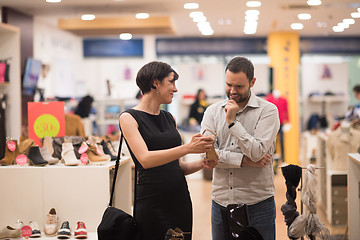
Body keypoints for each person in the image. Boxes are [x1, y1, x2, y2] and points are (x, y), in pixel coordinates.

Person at [119, 61, 218, 240]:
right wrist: (188, 148)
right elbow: (145, 159)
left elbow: (177, 168)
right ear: (156, 83)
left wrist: (202, 163)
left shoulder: (169, 118)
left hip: (179, 198)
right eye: (171, 82)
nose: (175, 89)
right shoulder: (129, 118)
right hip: (152, 201)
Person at [201, 57, 280, 240]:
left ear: (252, 82)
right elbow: (207, 155)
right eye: (229, 85)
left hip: (258, 204)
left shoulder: (268, 111)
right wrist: (244, 161)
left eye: (239, 86)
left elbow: (257, 152)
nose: (232, 91)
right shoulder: (212, 112)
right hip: (220, 202)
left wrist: (232, 121)